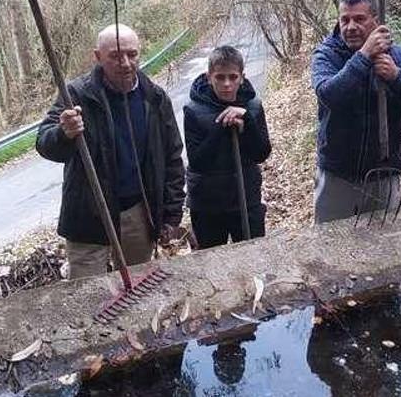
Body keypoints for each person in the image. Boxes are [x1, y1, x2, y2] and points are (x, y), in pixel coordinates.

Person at [36, 24, 186, 278]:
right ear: (98, 57)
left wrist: (171, 214)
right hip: (88, 215)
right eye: (115, 56)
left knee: (137, 286)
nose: (126, 63)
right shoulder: (77, 95)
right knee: (86, 293)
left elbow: (172, 158)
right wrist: (64, 133)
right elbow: (44, 142)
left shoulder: (155, 98)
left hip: (138, 213)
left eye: (132, 54)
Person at [311, 0, 401, 223]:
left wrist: (397, 77)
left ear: (375, 21)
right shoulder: (326, 55)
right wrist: (364, 56)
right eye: (345, 20)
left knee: (384, 248)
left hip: (384, 174)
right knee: (331, 247)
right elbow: (329, 96)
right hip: (338, 176)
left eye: (359, 19)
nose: (351, 26)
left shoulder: (399, 56)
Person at [183, 46, 272, 248]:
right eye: (220, 77)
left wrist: (247, 121)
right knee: (212, 262)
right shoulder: (193, 110)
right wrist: (221, 126)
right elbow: (198, 162)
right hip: (208, 204)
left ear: (242, 77)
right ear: (209, 77)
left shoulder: (253, 106)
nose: (227, 84)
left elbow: (261, 153)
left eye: (233, 77)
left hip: (246, 200)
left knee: (254, 257)